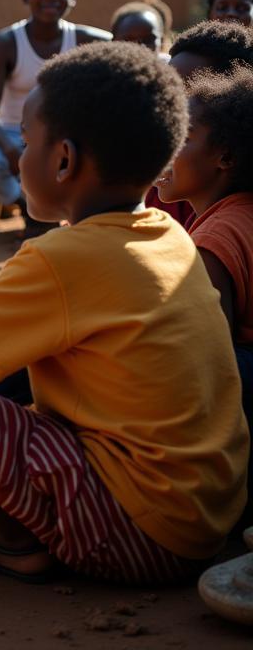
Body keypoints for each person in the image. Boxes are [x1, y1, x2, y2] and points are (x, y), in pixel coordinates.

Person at [0, 43, 248, 584]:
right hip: (204, 522)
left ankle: (9, 538)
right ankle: (0, 524)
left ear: (63, 160)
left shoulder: (63, 257)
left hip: (140, 537)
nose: (17, 156)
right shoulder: (170, 236)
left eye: (24, 141)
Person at [155, 64, 253, 509]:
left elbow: (213, 369)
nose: (164, 147)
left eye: (183, 136)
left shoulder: (213, 242)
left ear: (226, 158)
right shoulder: (236, 216)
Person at [0, 0, 108, 237]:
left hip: (63, 139)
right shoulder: (8, 42)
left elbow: (132, 41)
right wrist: (9, 149)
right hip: (10, 135)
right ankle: (28, 207)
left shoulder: (83, 40)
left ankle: (61, 215)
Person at [147, 20, 253, 228]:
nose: (174, 107)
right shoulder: (162, 182)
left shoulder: (227, 229)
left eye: (193, 92)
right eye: (168, 90)